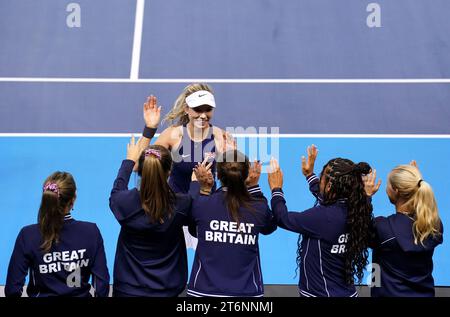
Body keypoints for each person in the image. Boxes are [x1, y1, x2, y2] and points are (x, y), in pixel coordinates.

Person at [108, 136, 213, 297]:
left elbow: (118, 187)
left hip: (127, 289)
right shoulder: (181, 205)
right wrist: (195, 183)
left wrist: (128, 161)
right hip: (167, 289)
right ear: (169, 170)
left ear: (142, 170)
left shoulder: (123, 203)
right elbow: (194, 203)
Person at [268, 145, 374, 297]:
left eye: (321, 176)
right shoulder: (358, 209)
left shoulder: (321, 218)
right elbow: (328, 198)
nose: (320, 178)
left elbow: (283, 218)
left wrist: (276, 188)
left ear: (330, 186)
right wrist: (310, 175)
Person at [186, 150, 277, 297]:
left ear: (218, 175)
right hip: (246, 294)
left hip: (202, 292)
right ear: (246, 176)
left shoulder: (202, 203)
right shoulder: (258, 207)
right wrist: (254, 188)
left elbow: (194, 230)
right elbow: (269, 227)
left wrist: (202, 189)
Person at [5, 172, 109, 297]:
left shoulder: (27, 235)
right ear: (73, 198)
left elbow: (12, 289)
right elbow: (102, 287)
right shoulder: (91, 232)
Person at [363, 161, 443, 297]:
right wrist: (414, 182)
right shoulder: (434, 224)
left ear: (396, 191)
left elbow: (359, 231)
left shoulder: (383, 228)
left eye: (388, 185)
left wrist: (365, 197)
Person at [140, 83, 236, 194]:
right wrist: (149, 129)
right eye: (198, 109)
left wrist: (230, 161)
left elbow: (233, 182)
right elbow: (140, 166)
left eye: (208, 109)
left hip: (206, 203)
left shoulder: (221, 137)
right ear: (186, 109)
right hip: (177, 205)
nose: (203, 115)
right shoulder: (172, 135)